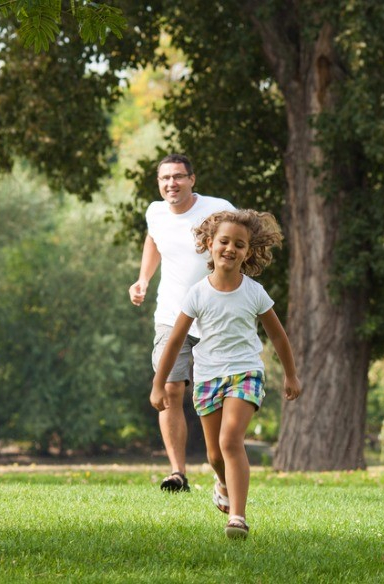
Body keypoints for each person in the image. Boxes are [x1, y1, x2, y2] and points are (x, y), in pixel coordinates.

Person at [151, 209, 302, 539]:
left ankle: (238, 517)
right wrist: (158, 384)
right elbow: (175, 341)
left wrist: (290, 375)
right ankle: (221, 482)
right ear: (209, 244)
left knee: (230, 440)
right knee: (214, 454)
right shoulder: (197, 294)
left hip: (245, 373)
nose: (230, 249)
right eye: (224, 241)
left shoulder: (254, 292)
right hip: (207, 378)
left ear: (248, 251)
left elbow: (277, 335)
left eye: (239, 244)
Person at [129, 154, 235, 493]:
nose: (170, 184)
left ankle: (221, 469)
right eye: (164, 179)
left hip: (215, 317)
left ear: (192, 179)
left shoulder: (219, 210)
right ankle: (177, 473)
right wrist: (143, 279)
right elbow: (154, 240)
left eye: (177, 177)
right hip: (171, 316)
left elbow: (243, 243)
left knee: (213, 398)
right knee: (170, 390)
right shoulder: (155, 212)